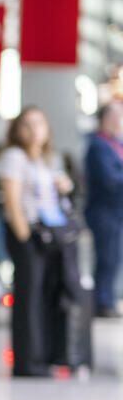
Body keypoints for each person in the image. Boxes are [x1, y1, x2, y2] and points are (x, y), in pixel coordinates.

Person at [0, 107, 79, 377]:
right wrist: (23, 236)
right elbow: (11, 199)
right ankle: (28, 361)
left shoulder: (46, 160)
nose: (34, 130)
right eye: (28, 125)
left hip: (50, 235)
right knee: (28, 298)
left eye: (40, 124)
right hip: (29, 235)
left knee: (46, 295)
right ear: (17, 130)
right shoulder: (14, 157)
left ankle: (45, 355)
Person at [84, 102, 123, 318]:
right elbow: (109, 179)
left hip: (116, 210)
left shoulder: (116, 143)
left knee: (114, 257)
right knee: (106, 257)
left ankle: (107, 298)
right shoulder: (98, 145)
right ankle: (101, 301)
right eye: (116, 116)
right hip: (103, 211)